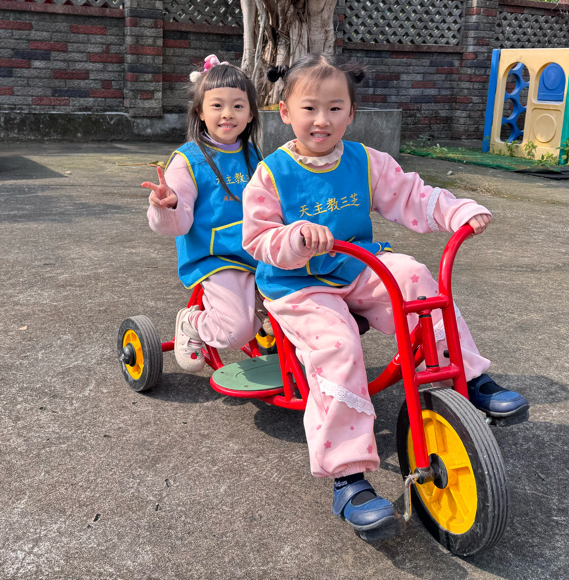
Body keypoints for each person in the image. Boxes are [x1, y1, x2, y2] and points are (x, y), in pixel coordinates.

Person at [241, 54, 528, 533]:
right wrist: (293, 238)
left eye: (335, 108)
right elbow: (258, 239)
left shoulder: (366, 161)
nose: (322, 120)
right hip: (298, 283)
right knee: (337, 345)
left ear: (351, 113)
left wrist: (456, 210)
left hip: (358, 265)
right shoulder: (272, 174)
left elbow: (413, 194)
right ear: (285, 112)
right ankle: (348, 476)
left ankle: (468, 377)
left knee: (413, 275)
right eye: (309, 108)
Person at [143, 56, 264, 372]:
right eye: (217, 105)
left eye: (238, 106)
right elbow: (178, 224)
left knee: (299, 296)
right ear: (199, 111)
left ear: (251, 113)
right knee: (236, 330)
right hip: (216, 257)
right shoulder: (188, 160)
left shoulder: (253, 154)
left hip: (258, 251)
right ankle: (192, 322)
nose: (227, 114)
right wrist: (167, 205)